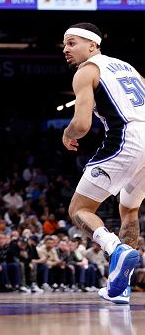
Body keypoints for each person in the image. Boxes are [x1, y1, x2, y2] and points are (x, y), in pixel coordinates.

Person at [62, 22, 145, 304]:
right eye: (64, 44)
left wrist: (67, 133)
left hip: (127, 136)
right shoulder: (128, 68)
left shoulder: (86, 71)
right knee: (129, 209)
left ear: (92, 45)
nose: (66, 49)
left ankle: (115, 248)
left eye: (72, 43)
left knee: (79, 209)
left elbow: (82, 125)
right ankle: (120, 287)